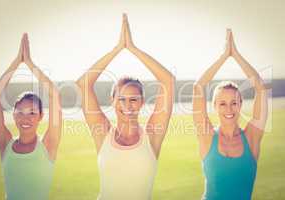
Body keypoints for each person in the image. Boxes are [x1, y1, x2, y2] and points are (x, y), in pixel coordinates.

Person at [76, 14, 175, 200]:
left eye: (134, 99)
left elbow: (168, 81)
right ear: (112, 101)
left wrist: (132, 48)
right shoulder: (102, 133)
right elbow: (83, 84)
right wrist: (117, 48)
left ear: (142, 102)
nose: (128, 105)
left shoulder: (152, 135)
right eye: (121, 99)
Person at [192, 29, 268, 200]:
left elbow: (261, 89)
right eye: (222, 104)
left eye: (234, 103)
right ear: (215, 107)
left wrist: (236, 54)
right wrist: (224, 56)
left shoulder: (251, 137)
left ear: (240, 105)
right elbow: (198, 87)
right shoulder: (207, 136)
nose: (229, 109)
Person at [0, 33, 62, 200]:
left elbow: (55, 95)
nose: (25, 118)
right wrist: (16, 62)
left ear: (41, 116)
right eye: (20, 112)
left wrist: (29, 63)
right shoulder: (5, 143)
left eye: (32, 113)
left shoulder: (48, 145)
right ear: (14, 115)